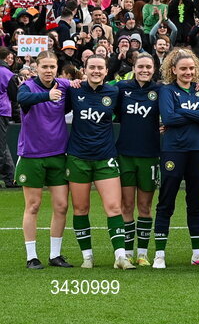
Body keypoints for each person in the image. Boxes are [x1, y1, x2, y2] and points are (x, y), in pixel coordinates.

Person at [66, 55, 134, 270]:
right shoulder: (74, 90)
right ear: (84, 69)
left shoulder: (115, 92)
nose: (96, 71)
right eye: (92, 67)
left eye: (100, 68)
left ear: (106, 72)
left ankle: (121, 257)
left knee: (114, 207)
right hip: (78, 158)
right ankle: (87, 257)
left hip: (105, 157)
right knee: (81, 208)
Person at [153, 48, 199, 269]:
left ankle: (198, 254)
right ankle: (159, 254)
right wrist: (192, 114)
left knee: (195, 202)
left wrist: (183, 111)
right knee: (166, 201)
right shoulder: (167, 91)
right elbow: (168, 117)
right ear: (174, 70)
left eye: (191, 68)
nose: (188, 72)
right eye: (183, 68)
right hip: (174, 150)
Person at [16, 50, 73, 269]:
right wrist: (47, 96)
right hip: (32, 154)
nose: (48, 70)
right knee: (33, 205)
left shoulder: (63, 85)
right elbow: (21, 99)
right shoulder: (28, 87)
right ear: (36, 68)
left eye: (52, 67)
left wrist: (78, 83)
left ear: (57, 68)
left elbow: (77, 89)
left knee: (61, 206)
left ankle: (55, 255)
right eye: (44, 67)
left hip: (58, 154)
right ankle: (32, 257)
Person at [115, 53, 162, 266]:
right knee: (126, 205)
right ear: (134, 67)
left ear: (154, 69)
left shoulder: (160, 90)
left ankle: (142, 253)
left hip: (150, 155)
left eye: (148, 67)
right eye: (140, 66)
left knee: (144, 206)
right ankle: (125, 253)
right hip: (125, 154)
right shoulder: (121, 88)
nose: (144, 70)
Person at [0, 47, 18, 188]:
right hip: (2, 112)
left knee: (2, 145)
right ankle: (10, 177)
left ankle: (10, 177)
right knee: (2, 146)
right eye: (10, 58)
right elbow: (14, 96)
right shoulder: (8, 74)